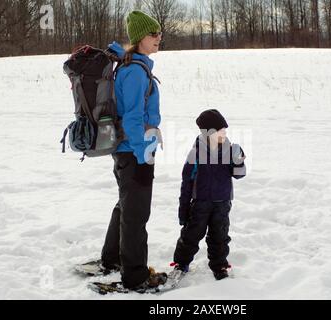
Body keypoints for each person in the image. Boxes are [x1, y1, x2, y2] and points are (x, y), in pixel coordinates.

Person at [100, 10, 166, 291]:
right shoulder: (136, 71)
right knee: (136, 214)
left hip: (128, 150)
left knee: (126, 206)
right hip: (135, 151)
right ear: (139, 38)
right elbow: (133, 118)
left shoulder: (132, 66)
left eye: (160, 33)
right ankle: (136, 276)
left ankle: (112, 259)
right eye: (153, 34)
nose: (158, 38)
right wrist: (143, 153)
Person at [172, 109, 247, 280]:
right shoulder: (196, 153)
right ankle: (181, 263)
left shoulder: (231, 150)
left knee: (219, 236)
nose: (225, 133)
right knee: (191, 234)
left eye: (225, 130)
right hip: (200, 203)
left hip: (222, 203)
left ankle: (219, 265)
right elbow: (187, 182)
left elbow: (239, 174)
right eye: (221, 130)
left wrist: (239, 161)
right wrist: (183, 209)